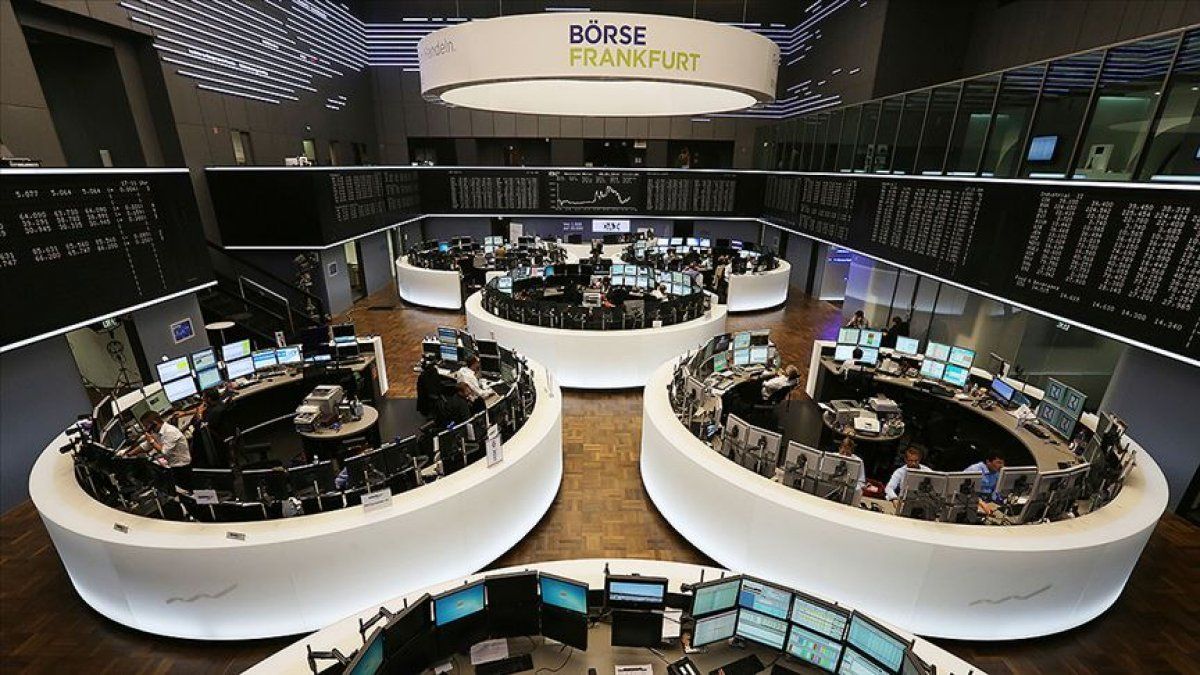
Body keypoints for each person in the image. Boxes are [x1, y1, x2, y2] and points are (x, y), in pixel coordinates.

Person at [134, 411, 192, 488]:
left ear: (154, 423)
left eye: (146, 426)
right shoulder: (158, 431)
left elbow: (164, 452)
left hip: (182, 468)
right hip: (173, 465)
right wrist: (129, 453)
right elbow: (146, 445)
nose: (145, 428)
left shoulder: (170, 432)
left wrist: (151, 441)